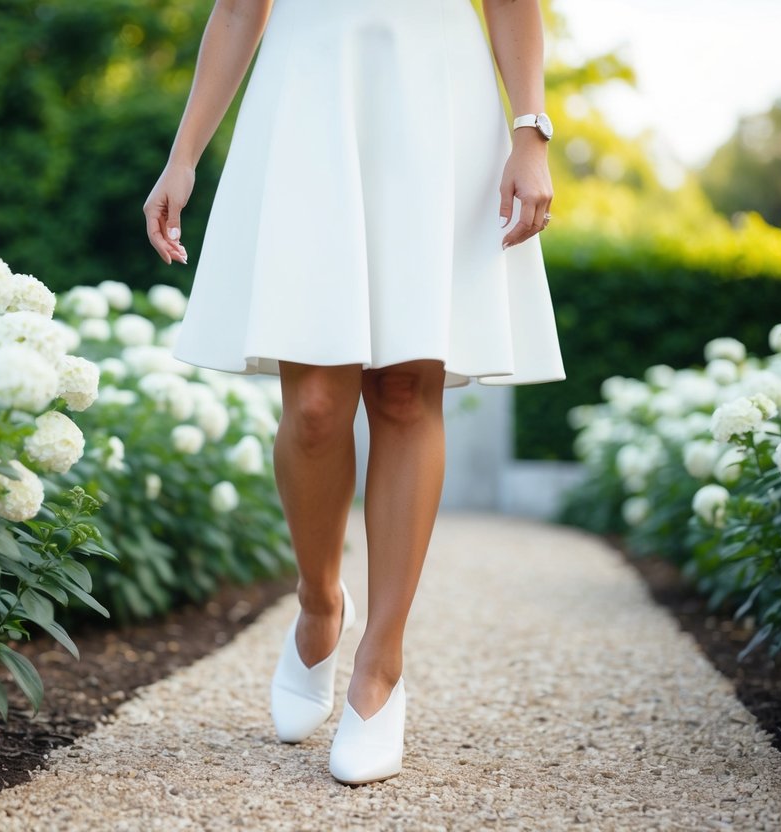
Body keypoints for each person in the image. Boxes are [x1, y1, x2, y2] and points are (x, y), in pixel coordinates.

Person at [143, 0, 565, 785]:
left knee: (406, 392)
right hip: (306, 95)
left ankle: (380, 662)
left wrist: (528, 131)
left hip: (438, 97)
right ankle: (317, 599)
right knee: (313, 410)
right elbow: (239, 7)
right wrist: (184, 156)